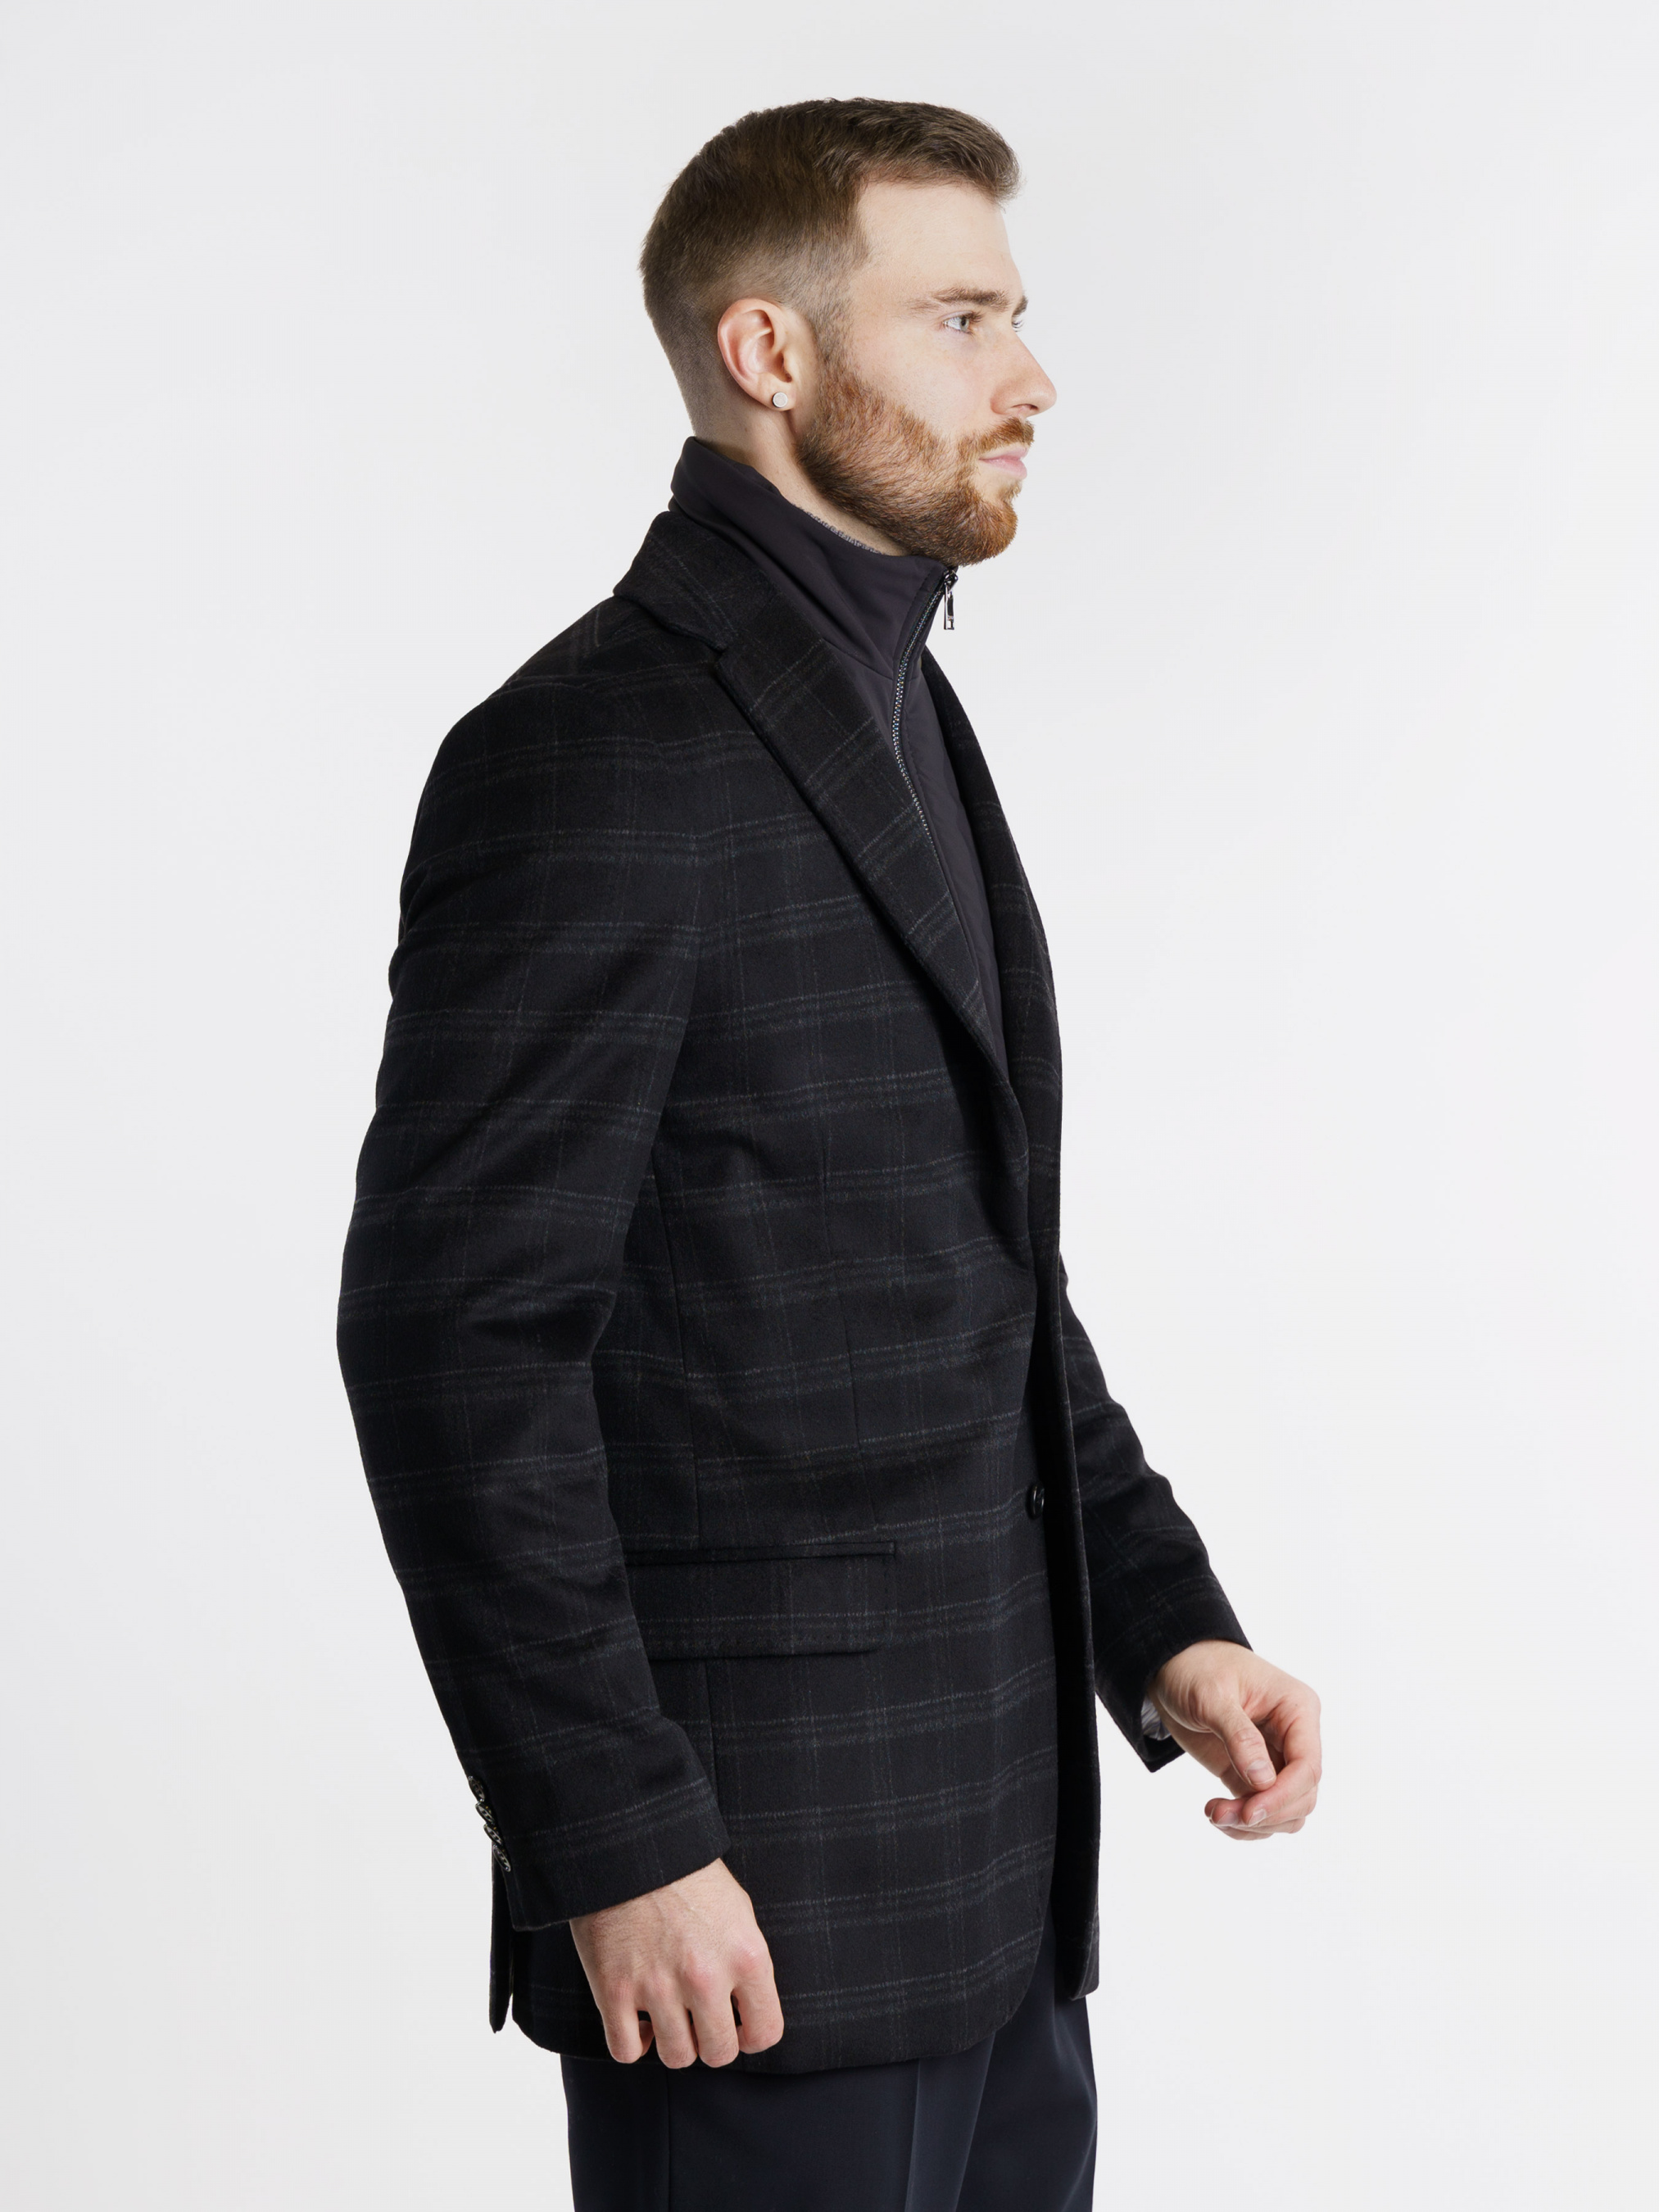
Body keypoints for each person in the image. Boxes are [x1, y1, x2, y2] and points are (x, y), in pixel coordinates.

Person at [338, 97, 1321, 2212]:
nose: (1028, 377)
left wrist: (1166, 1625)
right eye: (961, 318)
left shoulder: (895, 698)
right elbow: (453, 1347)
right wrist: (614, 1840)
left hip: (994, 1884)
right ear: (770, 352)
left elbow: (969, 1265)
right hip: (744, 1913)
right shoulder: (594, 751)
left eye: (1013, 315)